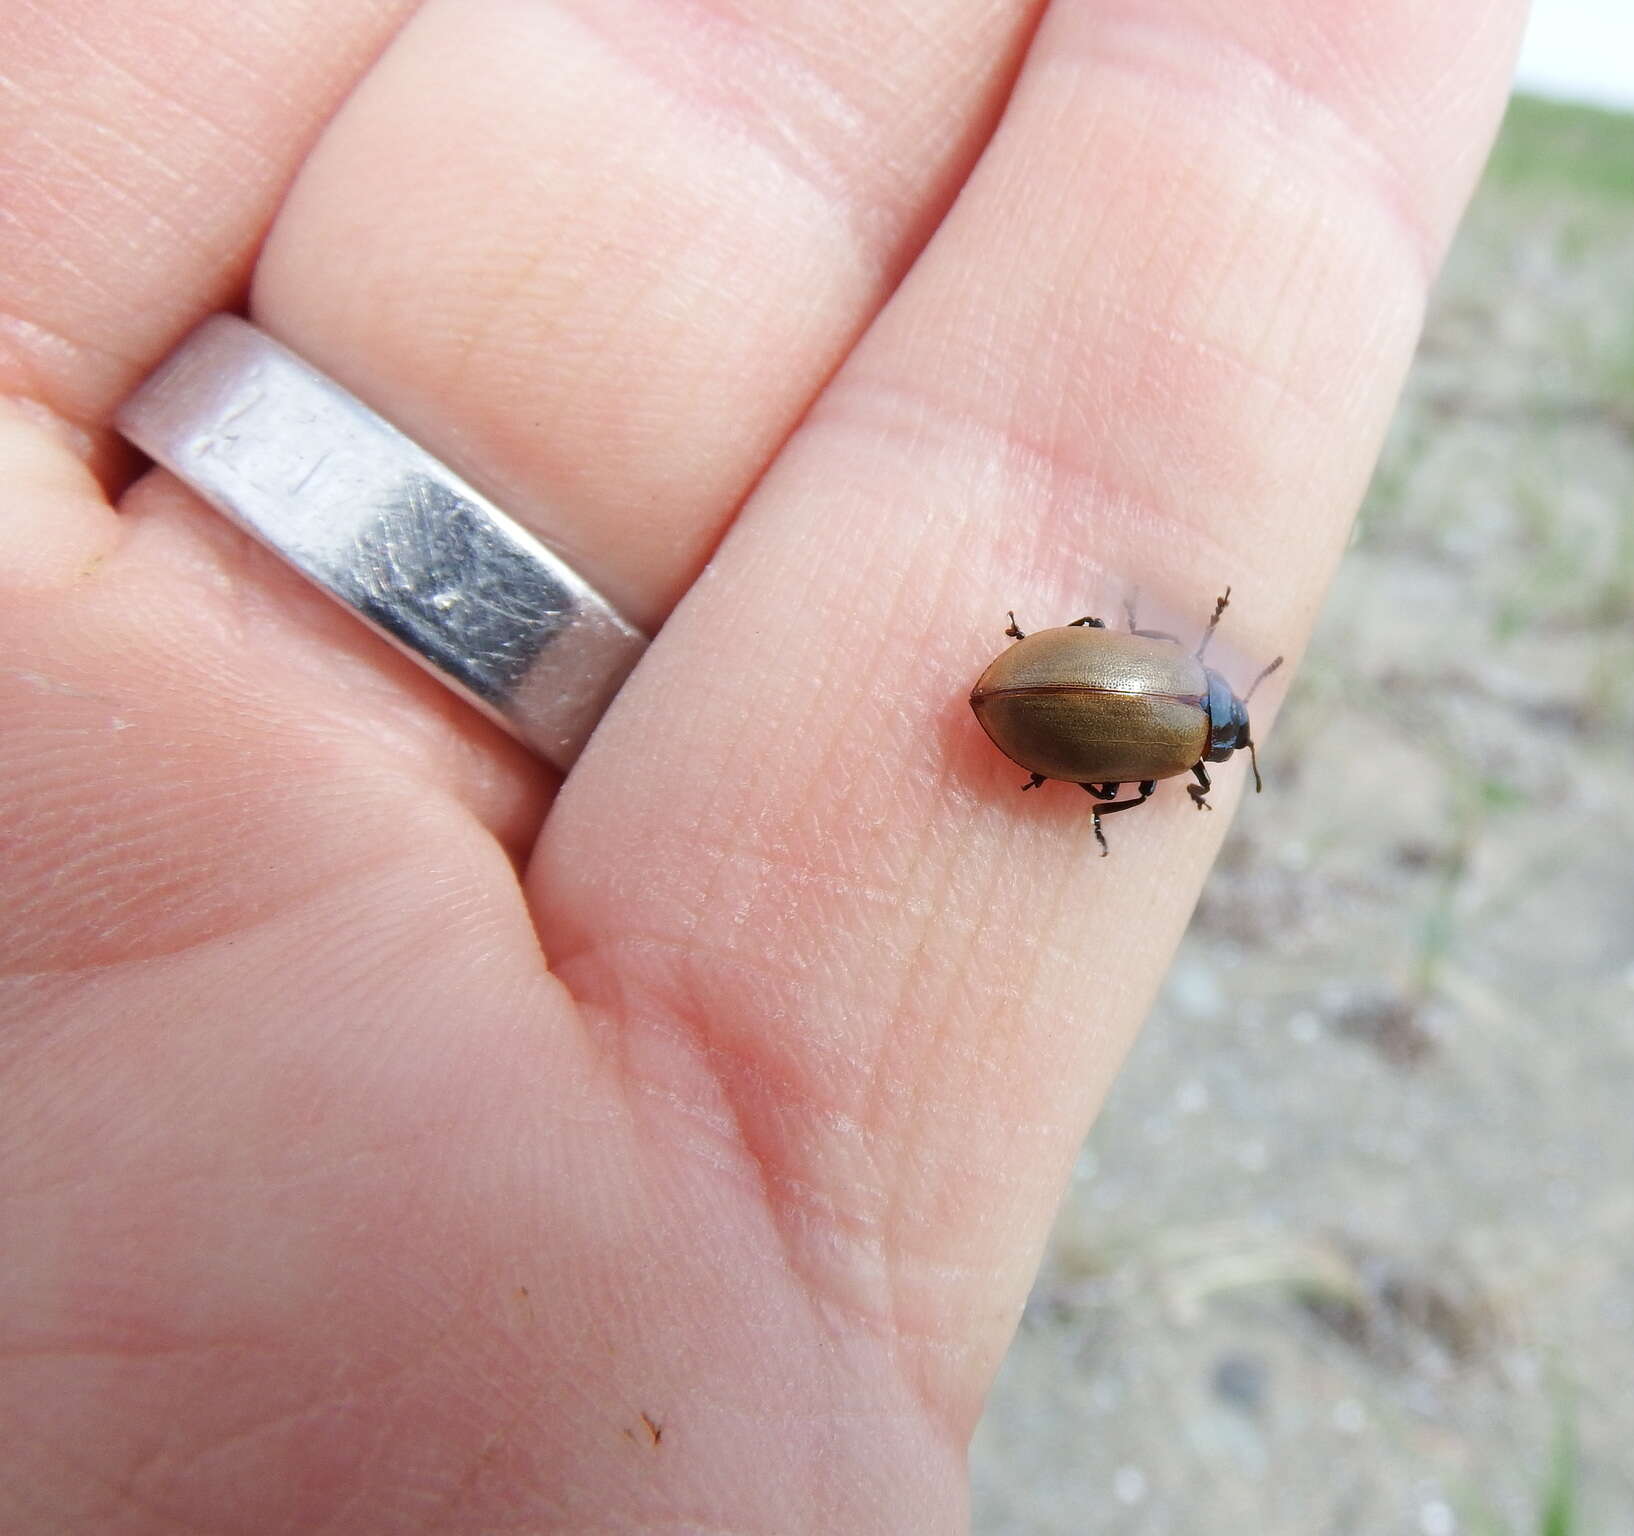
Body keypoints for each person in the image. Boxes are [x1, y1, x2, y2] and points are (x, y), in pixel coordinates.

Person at [0, 0, 1523, 1528]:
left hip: (1039, 687)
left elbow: (1103, 689)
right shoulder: (1175, 727)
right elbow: (1108, 729)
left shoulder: (1166, 695)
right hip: (1035, 696)